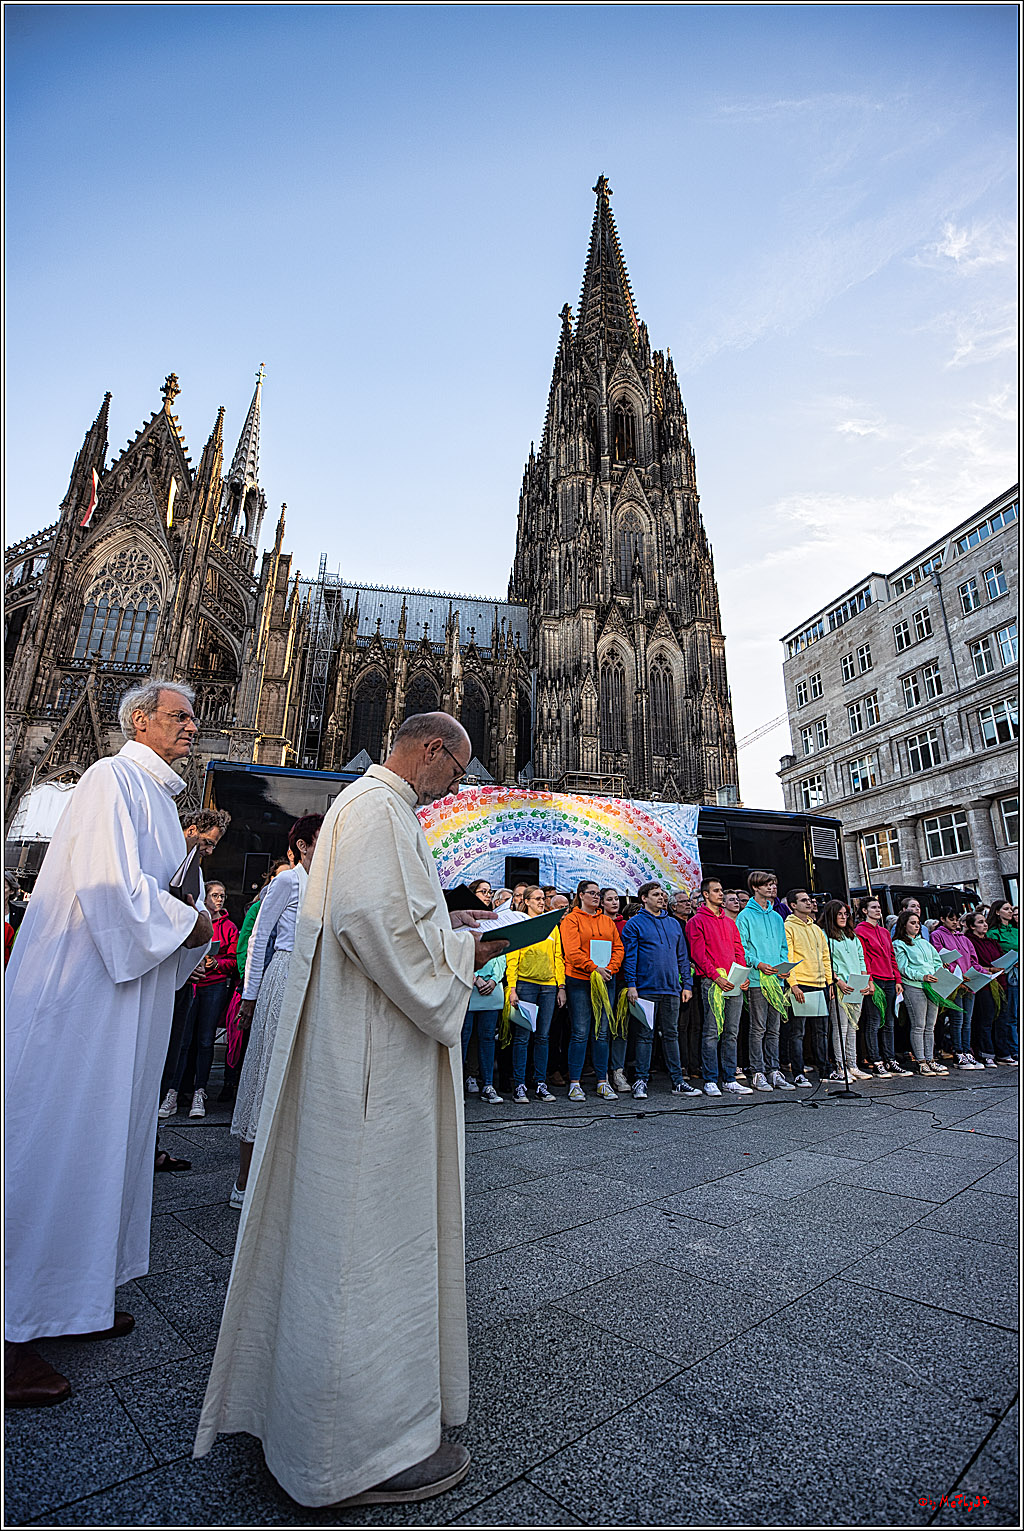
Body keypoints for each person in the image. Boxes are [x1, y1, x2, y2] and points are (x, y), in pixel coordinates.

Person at [195, 713, 504, 1507]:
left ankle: (335, 1427)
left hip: (371, 1050)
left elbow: (399, 919)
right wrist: (473, 953)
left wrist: (455, 927)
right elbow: (378, 929)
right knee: (365, 1245)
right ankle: (357, 1450)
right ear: (432, 749)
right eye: (458, 771)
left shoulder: (376, 810)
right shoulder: (376, 810)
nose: (456, 789)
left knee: (358, 1240)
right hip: (372, 1064)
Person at [5, 679, 213, 1408]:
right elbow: (111, 891)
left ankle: (71, 1298)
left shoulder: (157, 795)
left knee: (100, 1150)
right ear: (140, 721)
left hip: (121, 1004)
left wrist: (188, 913)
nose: (193, 724)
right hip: (78, 1003)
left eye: (192, 714)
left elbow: (154, 891)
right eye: (180, 715)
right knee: (53, 1149)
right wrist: (183, 921)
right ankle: (8, 1332)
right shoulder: (108, 779)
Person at [229, 814, 324, 1208]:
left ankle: (287, 1178)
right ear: (303, 845)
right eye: (321, 839)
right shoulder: (288, 880)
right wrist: (249, 997)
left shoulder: (331, 883)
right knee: (267, 1073)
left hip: (317, 980)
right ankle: (244, 1181)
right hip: (284, 975)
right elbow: (259, 937)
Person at [158, 807, 231, 1115]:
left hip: (188, 976)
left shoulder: (195, 869)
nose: (210, 850)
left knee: (178, 1049)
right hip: (171, 977)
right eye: (207, 842)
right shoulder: (169, 859)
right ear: (190, 830)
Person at [160, 879, 238, 1119]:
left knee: (206, 1041)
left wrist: (217, 963)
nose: (219, 899)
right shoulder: (193, 918)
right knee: (182, 1041)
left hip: (213, 986)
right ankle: (171, 1092)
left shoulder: (229, 927)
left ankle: (199, 1092)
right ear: (205, 898)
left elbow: (234, 959)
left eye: (222, 896)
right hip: (190, 983)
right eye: (215, 895)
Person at [621, 882, 699, 1100]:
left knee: (671, 1034)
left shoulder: (674, 924)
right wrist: (631, 985)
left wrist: (686, 984)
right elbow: (630, 957)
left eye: (663, 895)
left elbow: (683, 956)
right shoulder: (634, 924)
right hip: (645, 988)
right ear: (644, 898)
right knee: (645, 1036)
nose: (662, 898)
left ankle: (678, 1081)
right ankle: (641, 1080)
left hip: (672, 988)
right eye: (656, 894)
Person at [558, 880, 624, 1101]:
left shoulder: (607, 921)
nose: (596, 897)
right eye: (592, 893)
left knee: (603, 1032)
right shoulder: (571, 919)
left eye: (598, 894)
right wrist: (595, 968)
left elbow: (618, 948)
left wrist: (610, 969)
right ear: (581, 895)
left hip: (606, 979)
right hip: (580, 980)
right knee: (580, 1031)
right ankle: (575, 1083)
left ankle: (602, 1082)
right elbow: (572, 951)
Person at [685, 877, 751, 1097]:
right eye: (716, 891)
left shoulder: (729, 922)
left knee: (732, 1031)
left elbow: (738, 949)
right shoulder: (696, 921)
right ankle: (711, 1079)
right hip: (712, 982)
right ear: (705, 895)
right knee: (712, 1031)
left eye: (721, 890)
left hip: (733, 981)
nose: (721, 894)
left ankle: (730, 1078)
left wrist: (742, 974)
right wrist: (715, 977)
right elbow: (698, 954)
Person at [736, 871, 795, 1092]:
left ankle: (774, 1070)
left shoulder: (777, 916)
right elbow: (743, 948)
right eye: (767, 884)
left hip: (776, 980)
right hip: (757, 979)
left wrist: (783, 966)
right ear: (755, 887)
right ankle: (757, 1071)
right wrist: (758, 963)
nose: (772, 888)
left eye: (774, 884)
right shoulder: (745, 916)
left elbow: (783, 947)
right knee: (758, 1027)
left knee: (774, 1028)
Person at [506, 885, 563, 1102]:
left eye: (543, 899)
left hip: (548, 987)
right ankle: (519, 1084)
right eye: (537, 899)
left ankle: (540, 1083)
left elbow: (558, 957)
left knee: (543, 1036)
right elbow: (512, 957)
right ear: (527, 901)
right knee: (522, 1037)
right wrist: (512, 988)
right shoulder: (520, 923)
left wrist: (561, 986)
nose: (541, 902)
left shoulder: (552, 926)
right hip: (525, 985)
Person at [819, 900, 874, 1082]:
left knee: (853, 1027)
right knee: (841, 1027)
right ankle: (840, 1066)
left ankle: (852, 1065)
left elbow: (861, 959)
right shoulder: (825, 935)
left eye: (846, 914)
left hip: (856, 984)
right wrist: (837, 980)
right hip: (841, 985)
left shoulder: (852, 936)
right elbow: (824, 960)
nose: (843, 917)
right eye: (839, 914)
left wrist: (866, 980)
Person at [854, 898, 908, 1079]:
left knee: (890, 1021)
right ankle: (876, 1061)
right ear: (864, 911)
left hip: (890, 979)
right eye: (873, 907)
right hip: (875, 979)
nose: (878, 910)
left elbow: (891, 956)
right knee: (874, 1020)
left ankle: (890, 1059)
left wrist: (898, 979)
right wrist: (868, 979)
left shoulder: (884, 931)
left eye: (879, 907)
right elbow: (864, 957)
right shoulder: (860, 931)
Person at [783, 889, 833, 1085]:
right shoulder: (788, 926)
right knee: (798, 1032)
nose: (809, 903)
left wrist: (829, 982)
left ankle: (825, 1070)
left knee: (821, 1031)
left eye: (810, 900)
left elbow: (825, 956)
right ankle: (798, 1072)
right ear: (793, 905)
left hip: (820, 983)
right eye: (804, 901)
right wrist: (793, 985)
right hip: (801, 984)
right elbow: (789, 957)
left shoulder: (816, 928)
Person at [892, 911, 947, 1075]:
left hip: (932, 985)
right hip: (914, 986)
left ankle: (931, 1059)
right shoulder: (899, 944)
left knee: (930, 1026)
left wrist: (939, 973)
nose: (916, 926)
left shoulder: (925, 943)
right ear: (903, 925)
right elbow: (902, 968)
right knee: (919, 1025)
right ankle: (921, 1061)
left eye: (918, 923)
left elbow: (937, 961)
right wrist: (921, 976)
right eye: (912, 923)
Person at [930, 912, 984, 1069]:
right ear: (942, 919)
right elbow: (941, 957)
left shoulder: (964, 938)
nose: (955, 923)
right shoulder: (937, 935)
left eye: (957, 920)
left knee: (968, 1019)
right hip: (954, 981)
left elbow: (974, 959)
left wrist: (979, 973)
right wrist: (956, 972)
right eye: (951, 919)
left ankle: (967, 1051)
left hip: (969, 982)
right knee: (957, 1019)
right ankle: (958, 1052)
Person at [599, 887, 631, 1091]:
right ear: (601, 902)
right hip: (599, 980)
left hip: (621, 981)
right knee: (601, 1028)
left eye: (616, 899)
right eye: (609, 899)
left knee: (621, 1028)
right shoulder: (596, 923)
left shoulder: (626, 925)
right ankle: (601, 1074)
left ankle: (618, 1071)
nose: (614, 902)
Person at [964, 910, 1005, 1067]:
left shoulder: (991, 941)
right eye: (980, 922)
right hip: (981, 983)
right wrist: (989, 969)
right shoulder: (970, 941)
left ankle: (1001, 1051)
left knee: (1000, 1018)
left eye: (985, 921)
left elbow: (1000, 958)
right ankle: (985, 1053)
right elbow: (972, 962)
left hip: (998, 981)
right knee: (984, 1019)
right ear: (972, 926)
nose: (985, 924)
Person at [987, 899, 1019, 1061]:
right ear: (997, 912)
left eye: (1011, 909)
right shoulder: (993, 932)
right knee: (1011, 1014)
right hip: (1009, 973)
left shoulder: (1015, 930)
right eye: (1006, 909)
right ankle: (1014, 1049)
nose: (1010, 912)